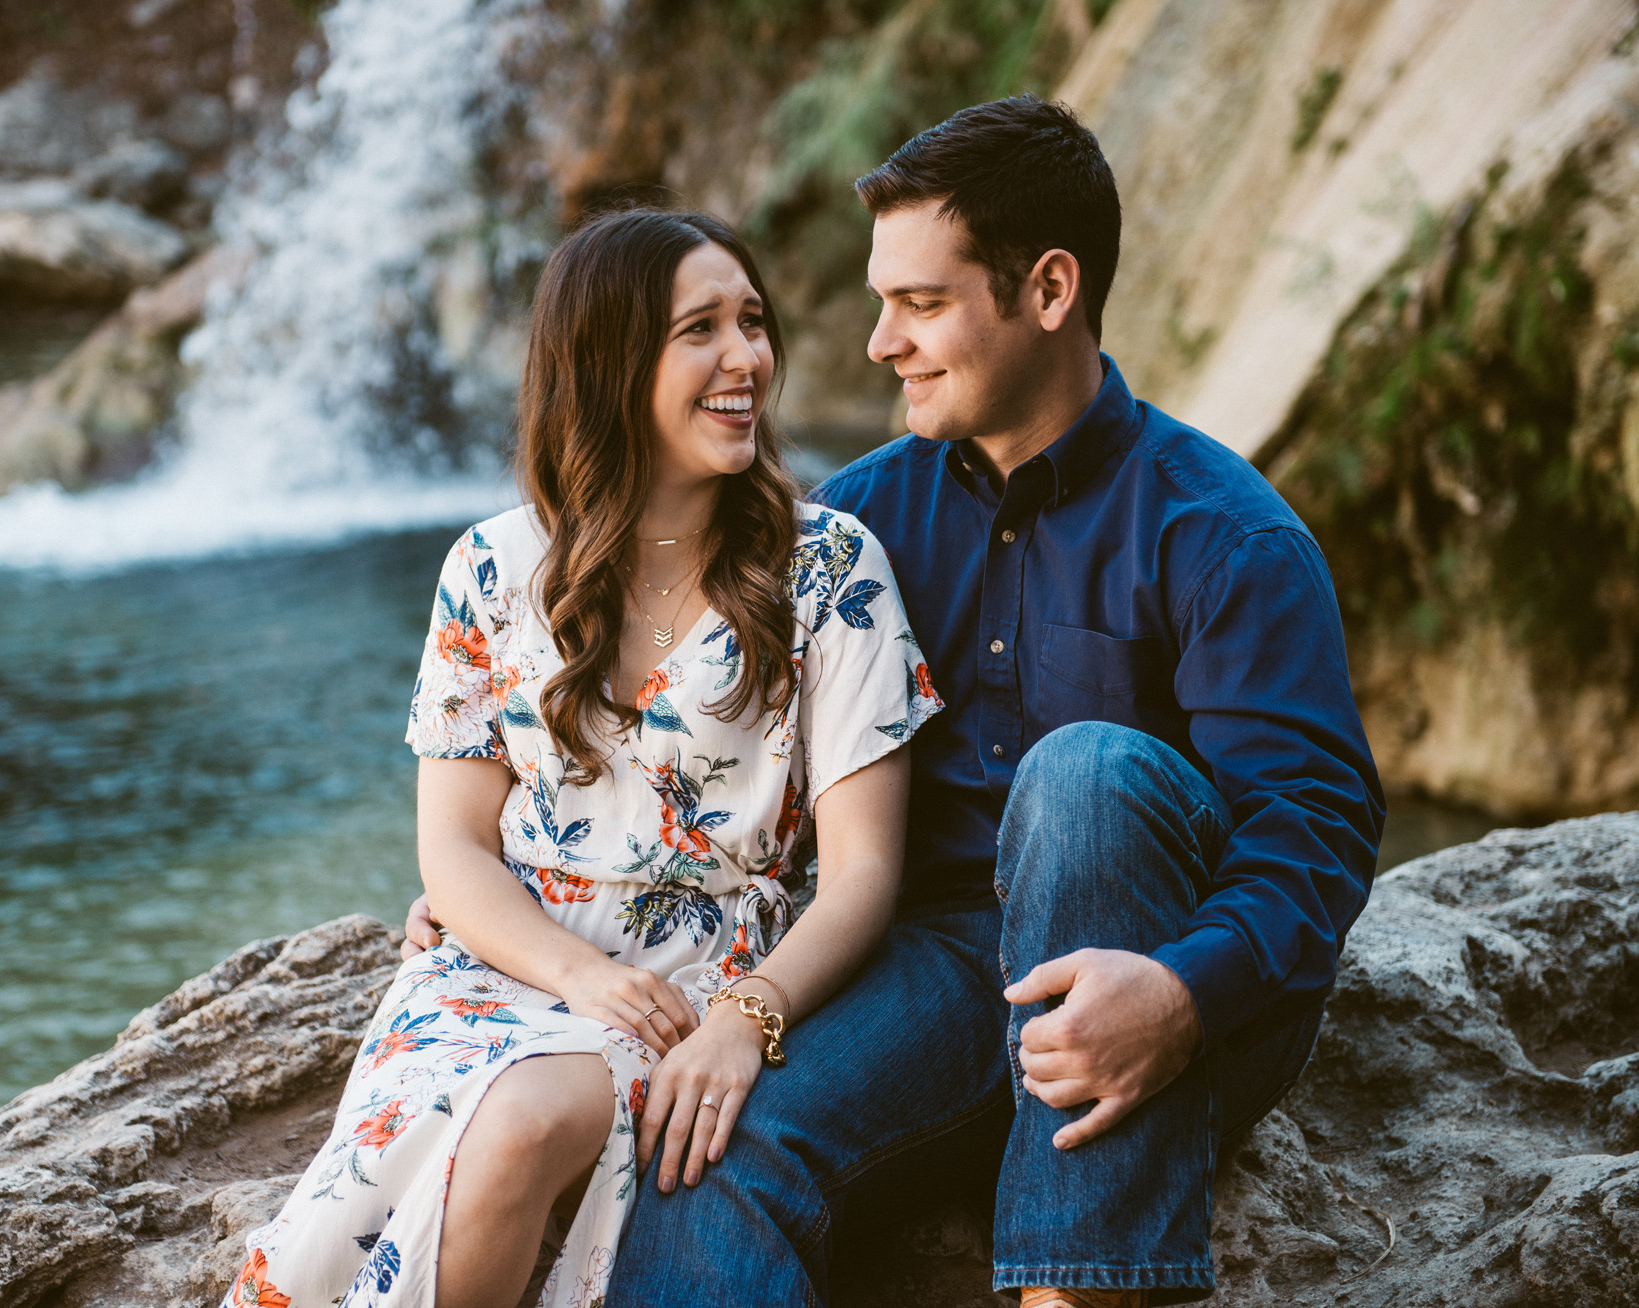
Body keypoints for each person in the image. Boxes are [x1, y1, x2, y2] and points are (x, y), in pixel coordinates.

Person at [404, 97, 1385, 1307]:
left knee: (1084, 775)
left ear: (1050, 290)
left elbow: (1315, 830)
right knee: (701, 1140)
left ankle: (1076, 1291)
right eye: (880, 303)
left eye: (919, 303)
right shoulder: (849, 532)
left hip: (1163, 969)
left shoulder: (1224, 534)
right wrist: (496, 881)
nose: (880, 344)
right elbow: (718, 764)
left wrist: (1183, 992)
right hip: (935, 975)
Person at [222, 208, 942, 1308]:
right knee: (374, 1185)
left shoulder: (830, 569)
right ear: (609, 362)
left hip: (698, 982)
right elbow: (453, 848)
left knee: (519, 1127)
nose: (746, 357)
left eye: (752, 322)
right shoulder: (489, 567)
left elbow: (862, 875)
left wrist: (747, 1018)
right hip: (505, 961)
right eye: (699, 329)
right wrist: (576, 975)